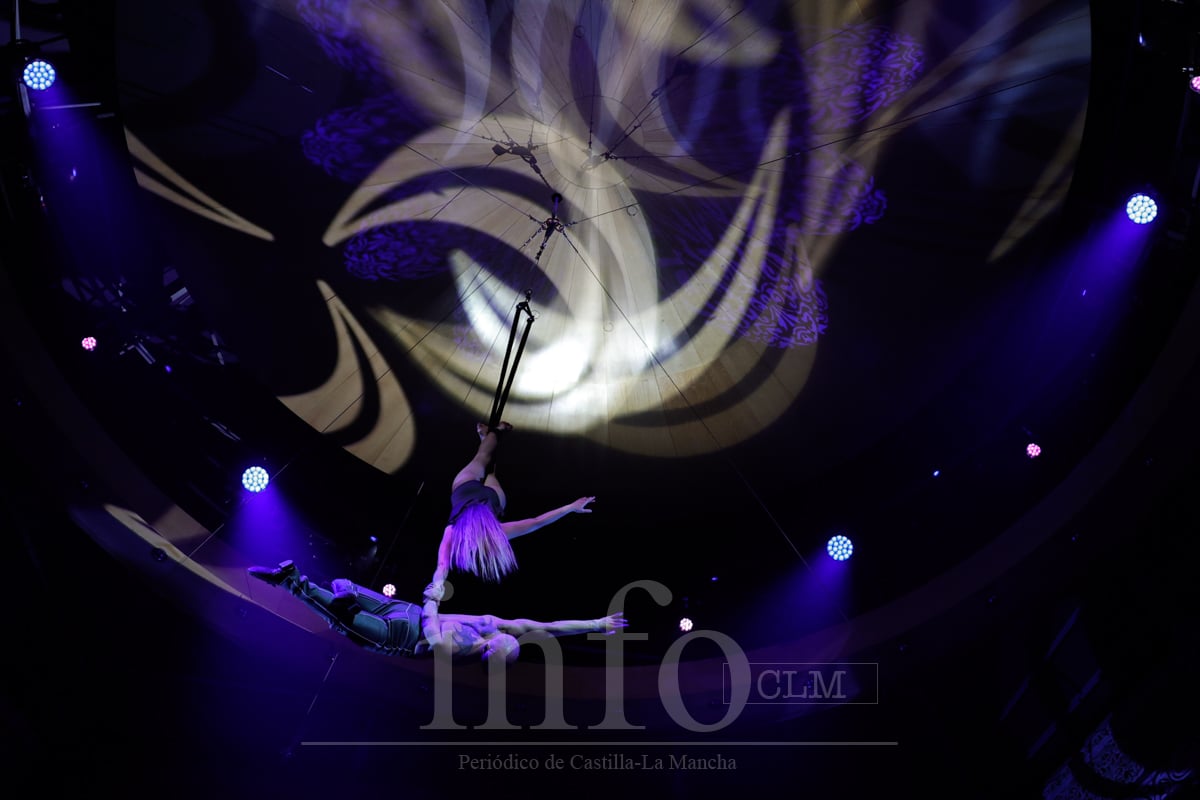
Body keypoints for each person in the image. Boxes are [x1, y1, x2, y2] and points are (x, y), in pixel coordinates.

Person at [246, 560, 626, 663]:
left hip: (405, 628)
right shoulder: (490, 629)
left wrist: (433, 596)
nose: (504, 636)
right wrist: (596, 623)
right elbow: (547, 627)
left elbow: (432, 630)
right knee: (343, 599)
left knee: (343, 612)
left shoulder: (464, 648)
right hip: (404, 621)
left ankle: (297, 581)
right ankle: (297, 583)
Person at [432, 421, 595, 589]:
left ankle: (492, 435)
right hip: (469, 492)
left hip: (484, 496)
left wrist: (570, 507)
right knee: (484, 460)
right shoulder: (456, 532)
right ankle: (490, 436)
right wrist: (436, 587)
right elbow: (442, 566)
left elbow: (537, 521)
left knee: (487, 466)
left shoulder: (488, 534)